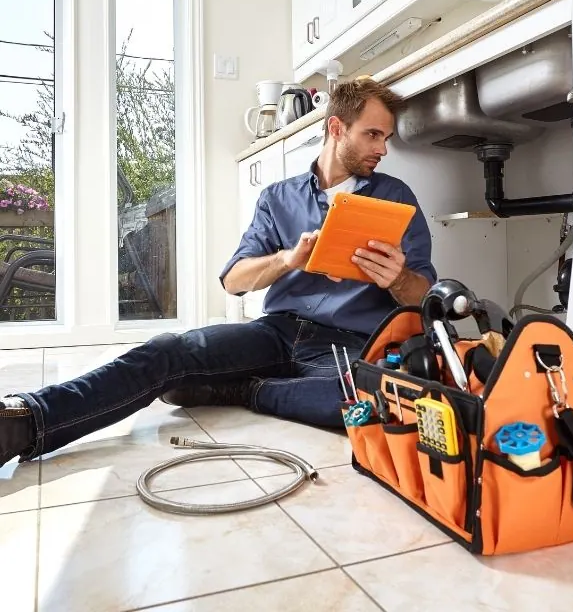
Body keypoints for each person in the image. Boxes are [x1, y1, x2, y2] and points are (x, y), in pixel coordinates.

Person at [0, 79, 437, 468]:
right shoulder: (278, 198)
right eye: (373, 134)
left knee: (372, 401)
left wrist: (397, 278)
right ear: (337, 128)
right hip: (276, 332)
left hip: (347, 345)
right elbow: (234, 279)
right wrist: (289, 259)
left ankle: (241, 390)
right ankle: (26, 419)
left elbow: (422, 296)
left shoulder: (396, 198)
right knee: (166, 351)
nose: (382, 148)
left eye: (386, 137)